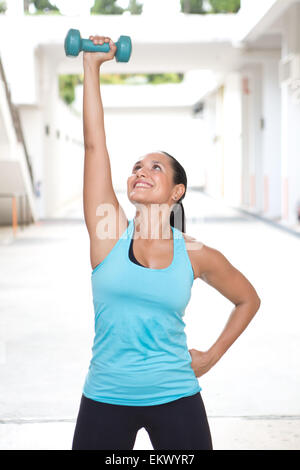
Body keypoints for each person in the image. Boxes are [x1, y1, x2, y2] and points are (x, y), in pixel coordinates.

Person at [71, 35, 261, 451]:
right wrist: (91, 67)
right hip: (106, 395)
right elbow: (94, 145)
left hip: (176, 394)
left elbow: (248, 299)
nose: (141, 170)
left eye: (156, 168)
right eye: (136, 166)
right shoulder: (108, 235)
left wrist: (212, 355)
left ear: (177, 191)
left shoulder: (195, 254)